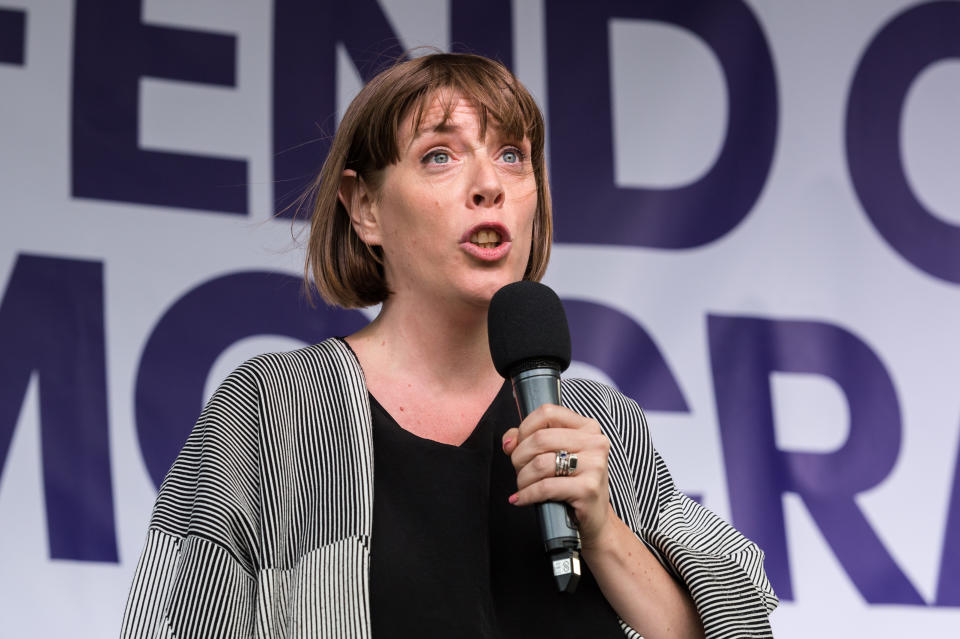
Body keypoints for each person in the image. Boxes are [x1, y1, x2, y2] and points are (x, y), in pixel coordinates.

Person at [120, 53, 777, 638]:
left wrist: (605, 531)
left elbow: (736, 627)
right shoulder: (272, 408)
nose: (489, 184)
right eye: (440, 155)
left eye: (512, 155)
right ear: (365, 207)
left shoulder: (602, 424)